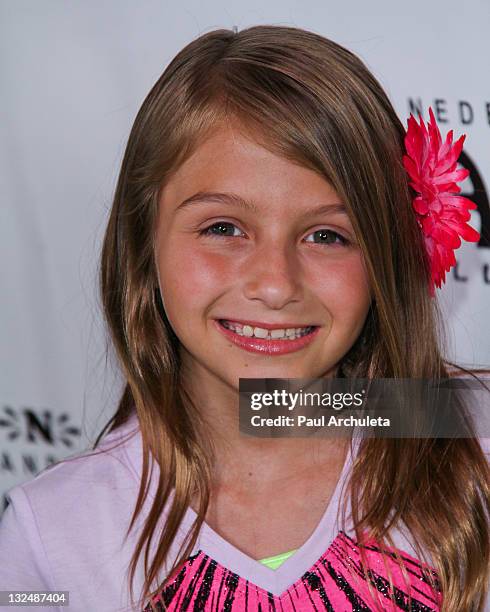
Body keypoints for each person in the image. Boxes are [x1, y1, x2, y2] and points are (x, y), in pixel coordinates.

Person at [0, 24, 489, 612]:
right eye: (223, 229)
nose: (276, 284)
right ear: (143, 241)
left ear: (388, 254)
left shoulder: (472, 456)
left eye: (327, 235)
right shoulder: (52, 535)